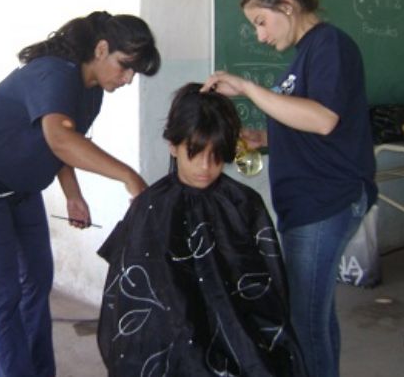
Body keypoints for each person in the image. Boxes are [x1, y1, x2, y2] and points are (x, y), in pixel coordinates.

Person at [0, 11, 161, 377]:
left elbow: (63, 144)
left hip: (22, 187)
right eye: (125, 67)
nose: (127, 79)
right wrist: (129, 177)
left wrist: (73, 195)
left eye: (133, 73)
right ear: (102, 48)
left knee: (39, 279)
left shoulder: (91, 92)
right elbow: (60, 140)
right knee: (5, 291)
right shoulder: (55, 72)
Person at [202, 0, 377, 377]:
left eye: (261, 22)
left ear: (287, 6)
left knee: (303, 320)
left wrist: (246, 86)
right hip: (307, 199)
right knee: (316, 316)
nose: (260, 36)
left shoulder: (329, 45)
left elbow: (322, 119)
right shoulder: (306, 55)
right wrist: (264, 137)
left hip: (325, 200)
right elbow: (304, 120)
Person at [97, 83, 306, 377]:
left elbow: (266, 294)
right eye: (194, 152)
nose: (205, 166)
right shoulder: (150, 207)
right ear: (173, 144)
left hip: (237, 339)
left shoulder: (243, 204)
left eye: (217, 154)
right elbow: (131, 295)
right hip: (171, 340)